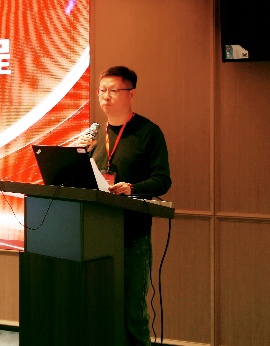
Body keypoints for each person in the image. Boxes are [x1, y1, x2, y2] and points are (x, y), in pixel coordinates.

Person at [79, 66, 171, 346]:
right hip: (95, 232)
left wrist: (132, 188)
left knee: (132, 312)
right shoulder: (94, 135)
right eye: (102, 91)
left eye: (113, 90)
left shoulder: (148, 132)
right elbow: (82, 182)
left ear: (131, 94)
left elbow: (162, 180)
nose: (105, 96)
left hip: (132, 234)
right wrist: (78, 155)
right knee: (98, 307)